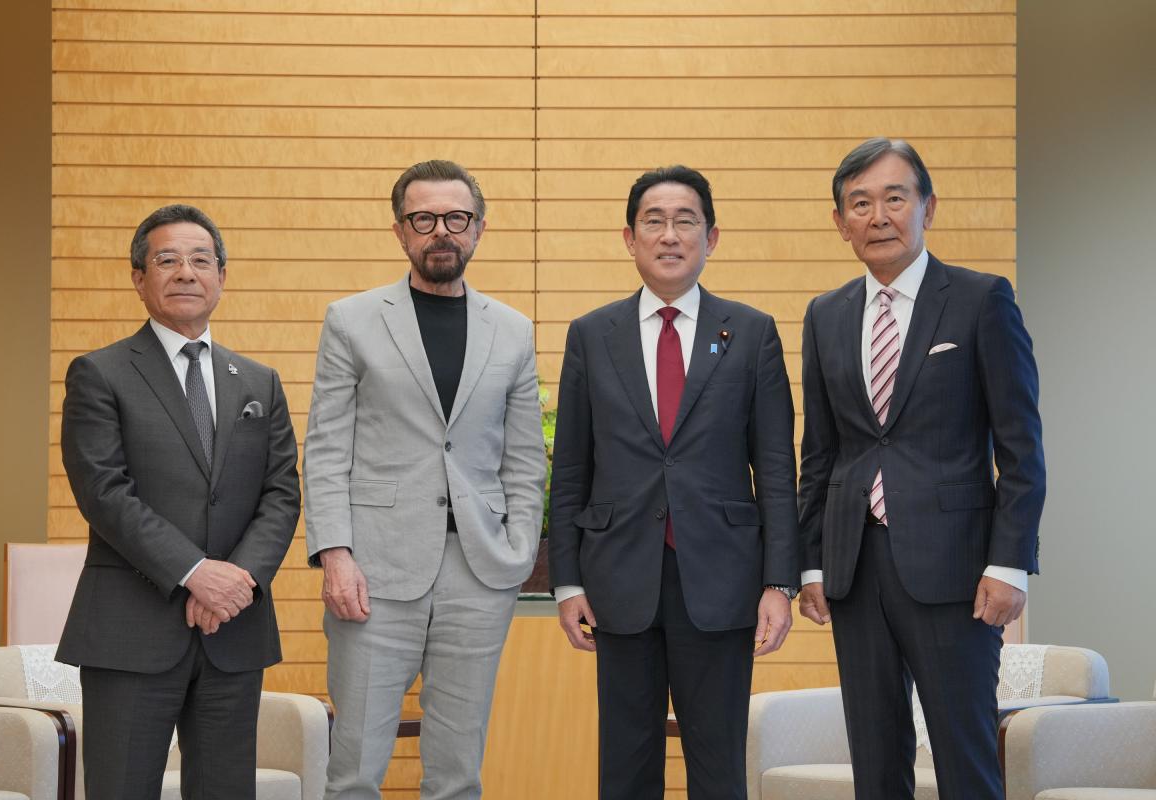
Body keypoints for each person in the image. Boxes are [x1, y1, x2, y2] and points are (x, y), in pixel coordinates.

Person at [797, 138, 1045, 799]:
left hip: (958, 572)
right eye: (860, 203)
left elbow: (1021, 444)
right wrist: (813, 562)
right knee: (875, 761)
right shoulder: (825, 316)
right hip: (854, 569)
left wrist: (1009, 562)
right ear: (841, 222)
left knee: (964, 755)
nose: (878, 215)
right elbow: (820, 451)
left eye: (894, 197)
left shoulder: (980, 299)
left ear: (927, 208)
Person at [547, 166, 800, 799]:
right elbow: (572, 467)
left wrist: (779, 582)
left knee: (717, 766)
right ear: (628, 238)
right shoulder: (590, 335)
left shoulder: (750, 332)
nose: (669, 235)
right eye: (652, 221)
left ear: (712, 237)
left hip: (720, 578)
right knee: (626, 768)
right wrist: (567, 580)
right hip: (618, 578)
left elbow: (774, 467)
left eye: (685, 220)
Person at [304, 160, 546, 799]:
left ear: (479, 228)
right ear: (400, 230)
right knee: (355, 768)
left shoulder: (513, 331)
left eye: (456, 218)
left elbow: (524, 459)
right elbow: (327, 449)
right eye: (424, 219)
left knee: (458, 772)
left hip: (478, 570)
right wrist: (336, 554)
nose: (442, 231)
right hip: (373, 572)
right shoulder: (351, 320)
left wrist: (518, 549)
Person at [57, 204, 301, 799]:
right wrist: (196, 574)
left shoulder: (258, 382)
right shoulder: (100, 373)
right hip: (130, 631)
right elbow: (104, 492)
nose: (186, 272)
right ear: (139, 278)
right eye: (167, 259)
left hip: (233, 632)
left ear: (222, 275)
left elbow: (282, 491)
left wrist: (235, 581)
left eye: (201, 259)